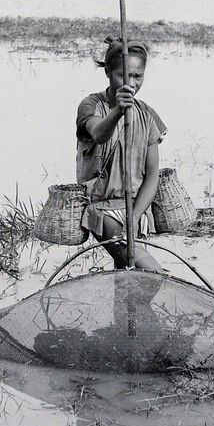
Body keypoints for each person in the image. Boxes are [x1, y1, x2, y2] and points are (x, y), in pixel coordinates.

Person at [76, 37, 165, 270]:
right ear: (107, 72)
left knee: (127, 280)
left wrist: (135, 217)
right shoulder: (91, 105)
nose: (132, 84)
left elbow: (152, 175)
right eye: (123, 76)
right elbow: (98, 133)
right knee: (152, 273)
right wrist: (118, 111)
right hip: (102, 209)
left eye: (138, 76)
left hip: (136, 209)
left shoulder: (147, 115)